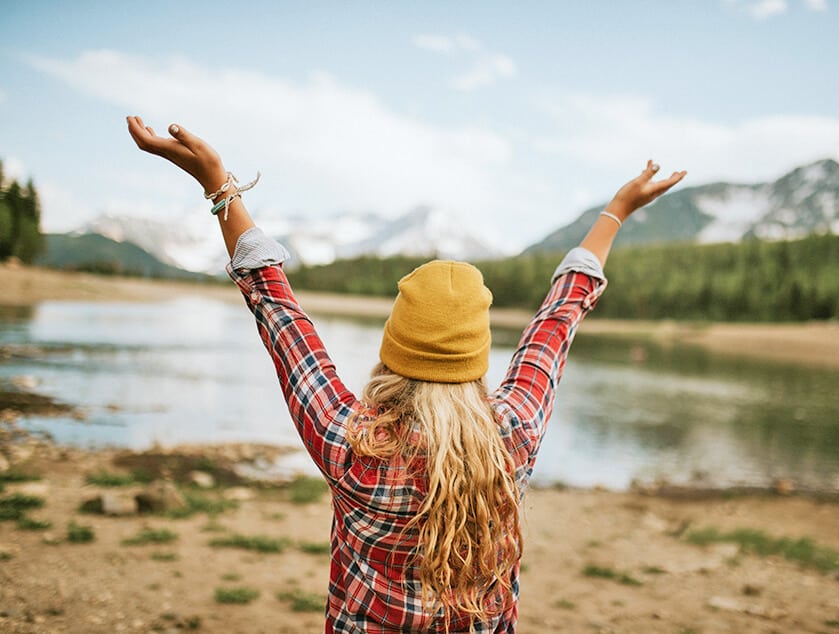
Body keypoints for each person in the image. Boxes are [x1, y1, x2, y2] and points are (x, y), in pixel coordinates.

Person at [126, 116, 686, 633]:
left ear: (393, 351)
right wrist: (615, 211)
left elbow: (277, 308)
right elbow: (558, 320)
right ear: (476, 360)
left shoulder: (350, 442)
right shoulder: (512, 436)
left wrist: (219, 186)